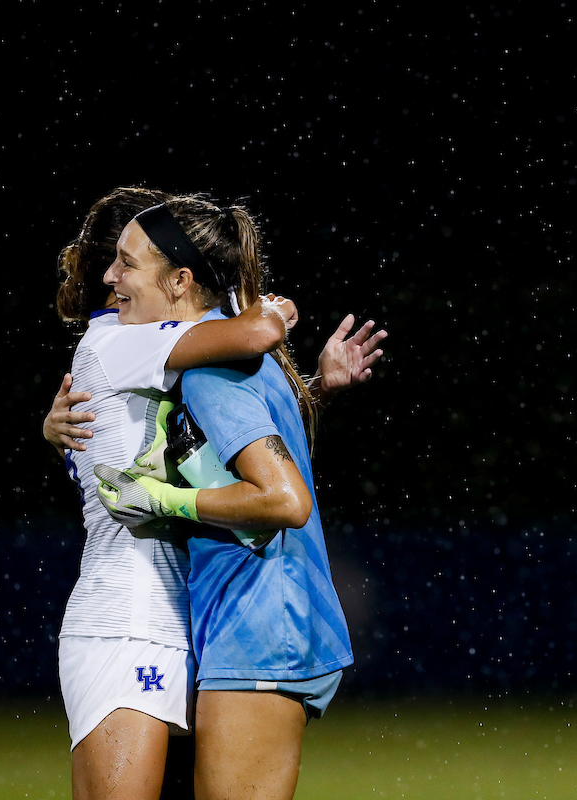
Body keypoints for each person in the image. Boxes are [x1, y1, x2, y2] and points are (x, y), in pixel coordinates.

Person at [92, 198, 378, 800]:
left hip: (261, 627)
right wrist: (319, 392)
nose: (110, 280)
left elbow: (284, 500)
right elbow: (248, 456)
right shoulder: (236, 357)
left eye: (126, 264)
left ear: (179, 281)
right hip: (258, 619)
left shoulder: (209, 370)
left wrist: (165, 501)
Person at [47, 187, 306, 800]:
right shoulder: (117, 340)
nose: (116, 276)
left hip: (175, 617)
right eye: (119, 260)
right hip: (127, 616)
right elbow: (252, 335)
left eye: (129, 261)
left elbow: (221, 434)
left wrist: (316, 386)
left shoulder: (140, 351)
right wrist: (270, 309)